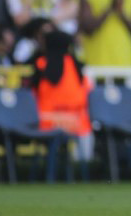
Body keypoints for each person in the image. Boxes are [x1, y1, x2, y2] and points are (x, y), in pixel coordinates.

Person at [30, 29, 93, 168]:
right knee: (86, 129)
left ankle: (50, 171)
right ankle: (83, 168)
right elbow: (87, 90)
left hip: (47, 121)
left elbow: (32, 92)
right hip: (76, 122)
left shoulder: (42, 64)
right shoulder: (77, 66)